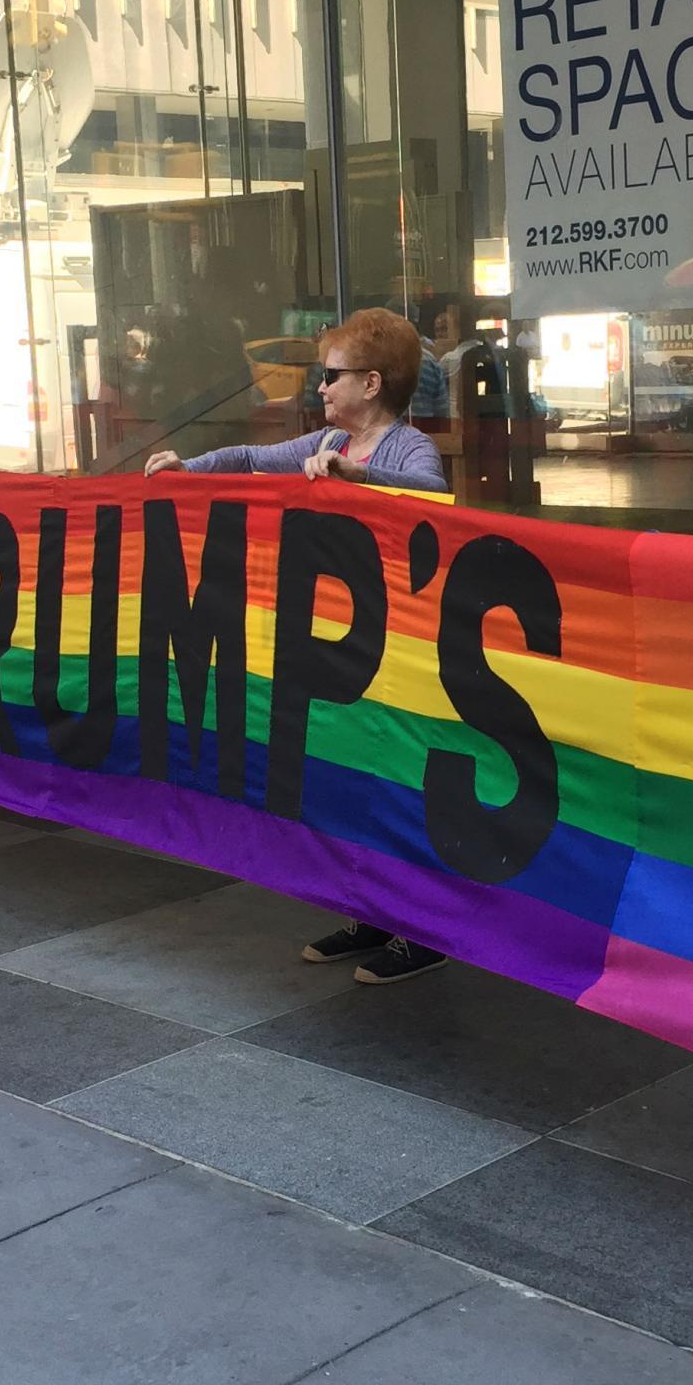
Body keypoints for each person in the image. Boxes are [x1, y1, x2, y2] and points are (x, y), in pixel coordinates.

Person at [146, 307, 451, 984]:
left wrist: (358, 481)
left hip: (397, 648)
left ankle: (422, 928)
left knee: (397, 782)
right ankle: (371, 910)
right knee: (350, 777)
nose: (321, 387)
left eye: (332, 375)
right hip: (343, 648)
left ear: (371, 383)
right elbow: (250, 460)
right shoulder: (329, 441)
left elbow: (434, 494)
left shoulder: (405, 447)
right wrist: (188, 468)